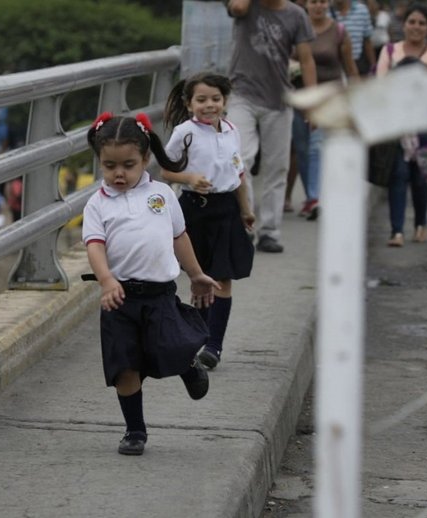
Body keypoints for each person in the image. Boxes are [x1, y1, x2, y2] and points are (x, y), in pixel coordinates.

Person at [82, 112, 220, 456]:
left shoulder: (161, 195)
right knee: (124, 367)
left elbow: (179, 236)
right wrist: (106, 280)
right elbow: (94, 246)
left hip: (159, 294)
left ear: (145, 159)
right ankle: (135, 431)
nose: (118, 174)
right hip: (120, 299)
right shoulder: (96, 204)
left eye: (128, 165)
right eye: (109, 165)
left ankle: (188, 365)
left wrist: (196, 273)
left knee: (170, 349)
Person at [161, 72, 255, 370]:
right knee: (199, 279)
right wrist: (189, 177)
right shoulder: (184, 133)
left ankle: (214, 346)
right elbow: (166, 171)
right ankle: (197, 340)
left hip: (226, 209)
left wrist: (245, 210)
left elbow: (238, 175)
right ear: (189, 104)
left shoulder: (231, 131)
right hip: (194, 210)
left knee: (223, 279)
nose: (209, 105)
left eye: (215, 99)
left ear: (224, 101)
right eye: (201, 100)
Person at [225, 0, 316, 254]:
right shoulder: (248, 6)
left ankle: (270, 231)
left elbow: (307, 60)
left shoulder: (296, 15)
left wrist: (312, 101)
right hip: (241, 94)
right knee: (240, 160)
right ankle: (246, 225)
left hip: (279, 100)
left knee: (277, 167)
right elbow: (238, 8)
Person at [376, 4, 427, 247]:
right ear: (404, 24)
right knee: (398, 175)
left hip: (426, 124)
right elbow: (381, 86)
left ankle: (422, 225)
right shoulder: (389, 50)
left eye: (421, 23)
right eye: (412, 22)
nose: (416, 27)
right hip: (396, 124)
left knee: (421, 177)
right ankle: (397, 231)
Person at [294, 0, 359, 220]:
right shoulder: (296, 27)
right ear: (307, 5)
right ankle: (311, 195)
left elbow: (350, 67)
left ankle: (315, 197)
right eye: (313, 2)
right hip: (299, 96)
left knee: (316, 146)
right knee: (301, 147)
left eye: (322, 1)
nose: (318, 6)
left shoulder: (339, 31)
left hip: (329, 98)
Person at [330, 0, 377, 76]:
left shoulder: (362, 10)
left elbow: (367, 41)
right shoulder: (325, 11)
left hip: (359, 63)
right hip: (336, 67)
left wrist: (373, 66)